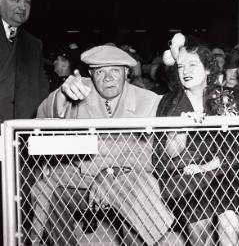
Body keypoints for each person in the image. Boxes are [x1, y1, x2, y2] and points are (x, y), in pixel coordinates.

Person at [32, 45, 174, 246]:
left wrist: (111, 171)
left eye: (115, 70)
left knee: (134, 191)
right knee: (44, 188)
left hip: (127, 180)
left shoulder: (149, 101)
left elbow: (154, 155)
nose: (107, 78)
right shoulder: (78, 91)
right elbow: (42, 117)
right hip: (84, 183)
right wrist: (62, 94)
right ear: (90, 73)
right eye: (100, 71)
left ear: (127, 73)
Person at [153, 34, 239, 246]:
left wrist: (209, 165)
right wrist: (180, 129)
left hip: (227, 172)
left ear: (207, 69)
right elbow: (165, 156)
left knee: (230, 221)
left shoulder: (229, 96)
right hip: (187, 179)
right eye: (180, 67)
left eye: (193, 65)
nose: (185, 71)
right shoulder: (169, 102)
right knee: (199, 234)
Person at [0, 0, 49, 244]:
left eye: (27, 1)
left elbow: (41, 92)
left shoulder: (34, 44)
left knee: (20, 207)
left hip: (23, 146)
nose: (22, 6)